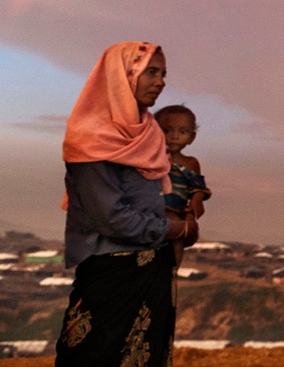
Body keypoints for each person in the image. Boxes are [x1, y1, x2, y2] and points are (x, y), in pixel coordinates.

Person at [55, 42, 197, 367]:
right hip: (111, 273)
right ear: (123, 74)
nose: (160, 81)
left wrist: (175, 220)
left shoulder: (149, 133)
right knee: (93, 357)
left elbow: (148, 201)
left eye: (163, 74)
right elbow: (111, 219)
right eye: (151, 71)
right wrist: (175, 227)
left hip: (154, 268)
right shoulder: (90, 136)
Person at [154, 104, 211, 265]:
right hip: (153, 208)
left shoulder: (190, 163)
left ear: (191, 137)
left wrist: (196, 202)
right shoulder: (151, 158)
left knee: (179, 238)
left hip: (177, 210)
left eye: (182, 132)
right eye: (167, 131)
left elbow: (198, 187)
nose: (174, 137)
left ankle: (172, 271)